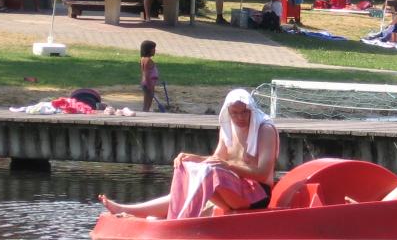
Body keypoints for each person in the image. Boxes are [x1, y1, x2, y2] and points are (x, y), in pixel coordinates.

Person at [99, 89, 279, 218]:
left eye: (244, 112)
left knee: (211, 173)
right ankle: (128, 210)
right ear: (228, 113)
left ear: (251, 110)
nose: (240, 117)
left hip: (258, 195)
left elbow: (263, 173)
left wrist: (227, 166)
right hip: (234, 189)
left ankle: (181, 220)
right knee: (187, 165)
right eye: (235, 113)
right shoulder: (228, 127)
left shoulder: (265, 130)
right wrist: (195, 158)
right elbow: (217, 159)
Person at [139, 39, 159, 113]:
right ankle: (146, 112)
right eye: (153, 49)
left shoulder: (142, 59)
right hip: (149, 83)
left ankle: (145, 111)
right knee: (148, 100)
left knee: (147, 99)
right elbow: (147, 74)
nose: (155, 50)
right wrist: (150, 85)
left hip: (146, 82)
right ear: (148, 50)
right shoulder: (148, 60)